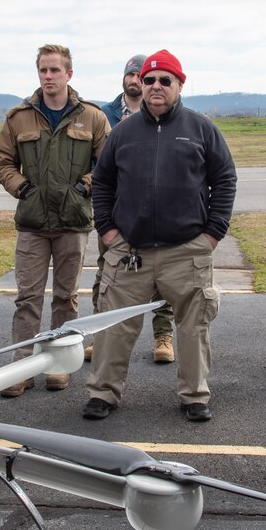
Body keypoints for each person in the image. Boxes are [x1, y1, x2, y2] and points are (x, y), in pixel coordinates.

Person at [86, 50, 237, 422]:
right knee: (114, 326)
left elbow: (225, 179)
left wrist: (213, 234)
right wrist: (106, 229)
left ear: (179, 85)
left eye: (164, 80)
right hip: (129, 250)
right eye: (149, 79)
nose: (155, 86)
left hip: (186, 251)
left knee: (193, 327)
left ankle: (194, 396)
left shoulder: (201, 129)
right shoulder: (122, 132)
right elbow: (102, 181)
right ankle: (102, 393)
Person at [0, 44, 109, 397]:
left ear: (68, 74)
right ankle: (22, 366)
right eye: (43, 70)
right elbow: (2, 162)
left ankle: (59, 364)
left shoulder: (92, 117)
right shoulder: (19, 118)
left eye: (55, 70)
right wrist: (23, 188)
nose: (48, 76)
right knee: (27, 297)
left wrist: (81, 189)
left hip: (73, 222)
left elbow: (106, 166)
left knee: (65, 297)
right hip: (33, 223)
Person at [87, 53, 176, 365]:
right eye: (132, 74)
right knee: (107, 276)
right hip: (115, 215)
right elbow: (96, 167)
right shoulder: (104, 115)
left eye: (144, 75)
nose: (137, 79)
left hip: (157, 215)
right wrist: (105, 222)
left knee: (162, 278)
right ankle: (101, 334)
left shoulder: (168, 116)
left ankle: (163, 336)